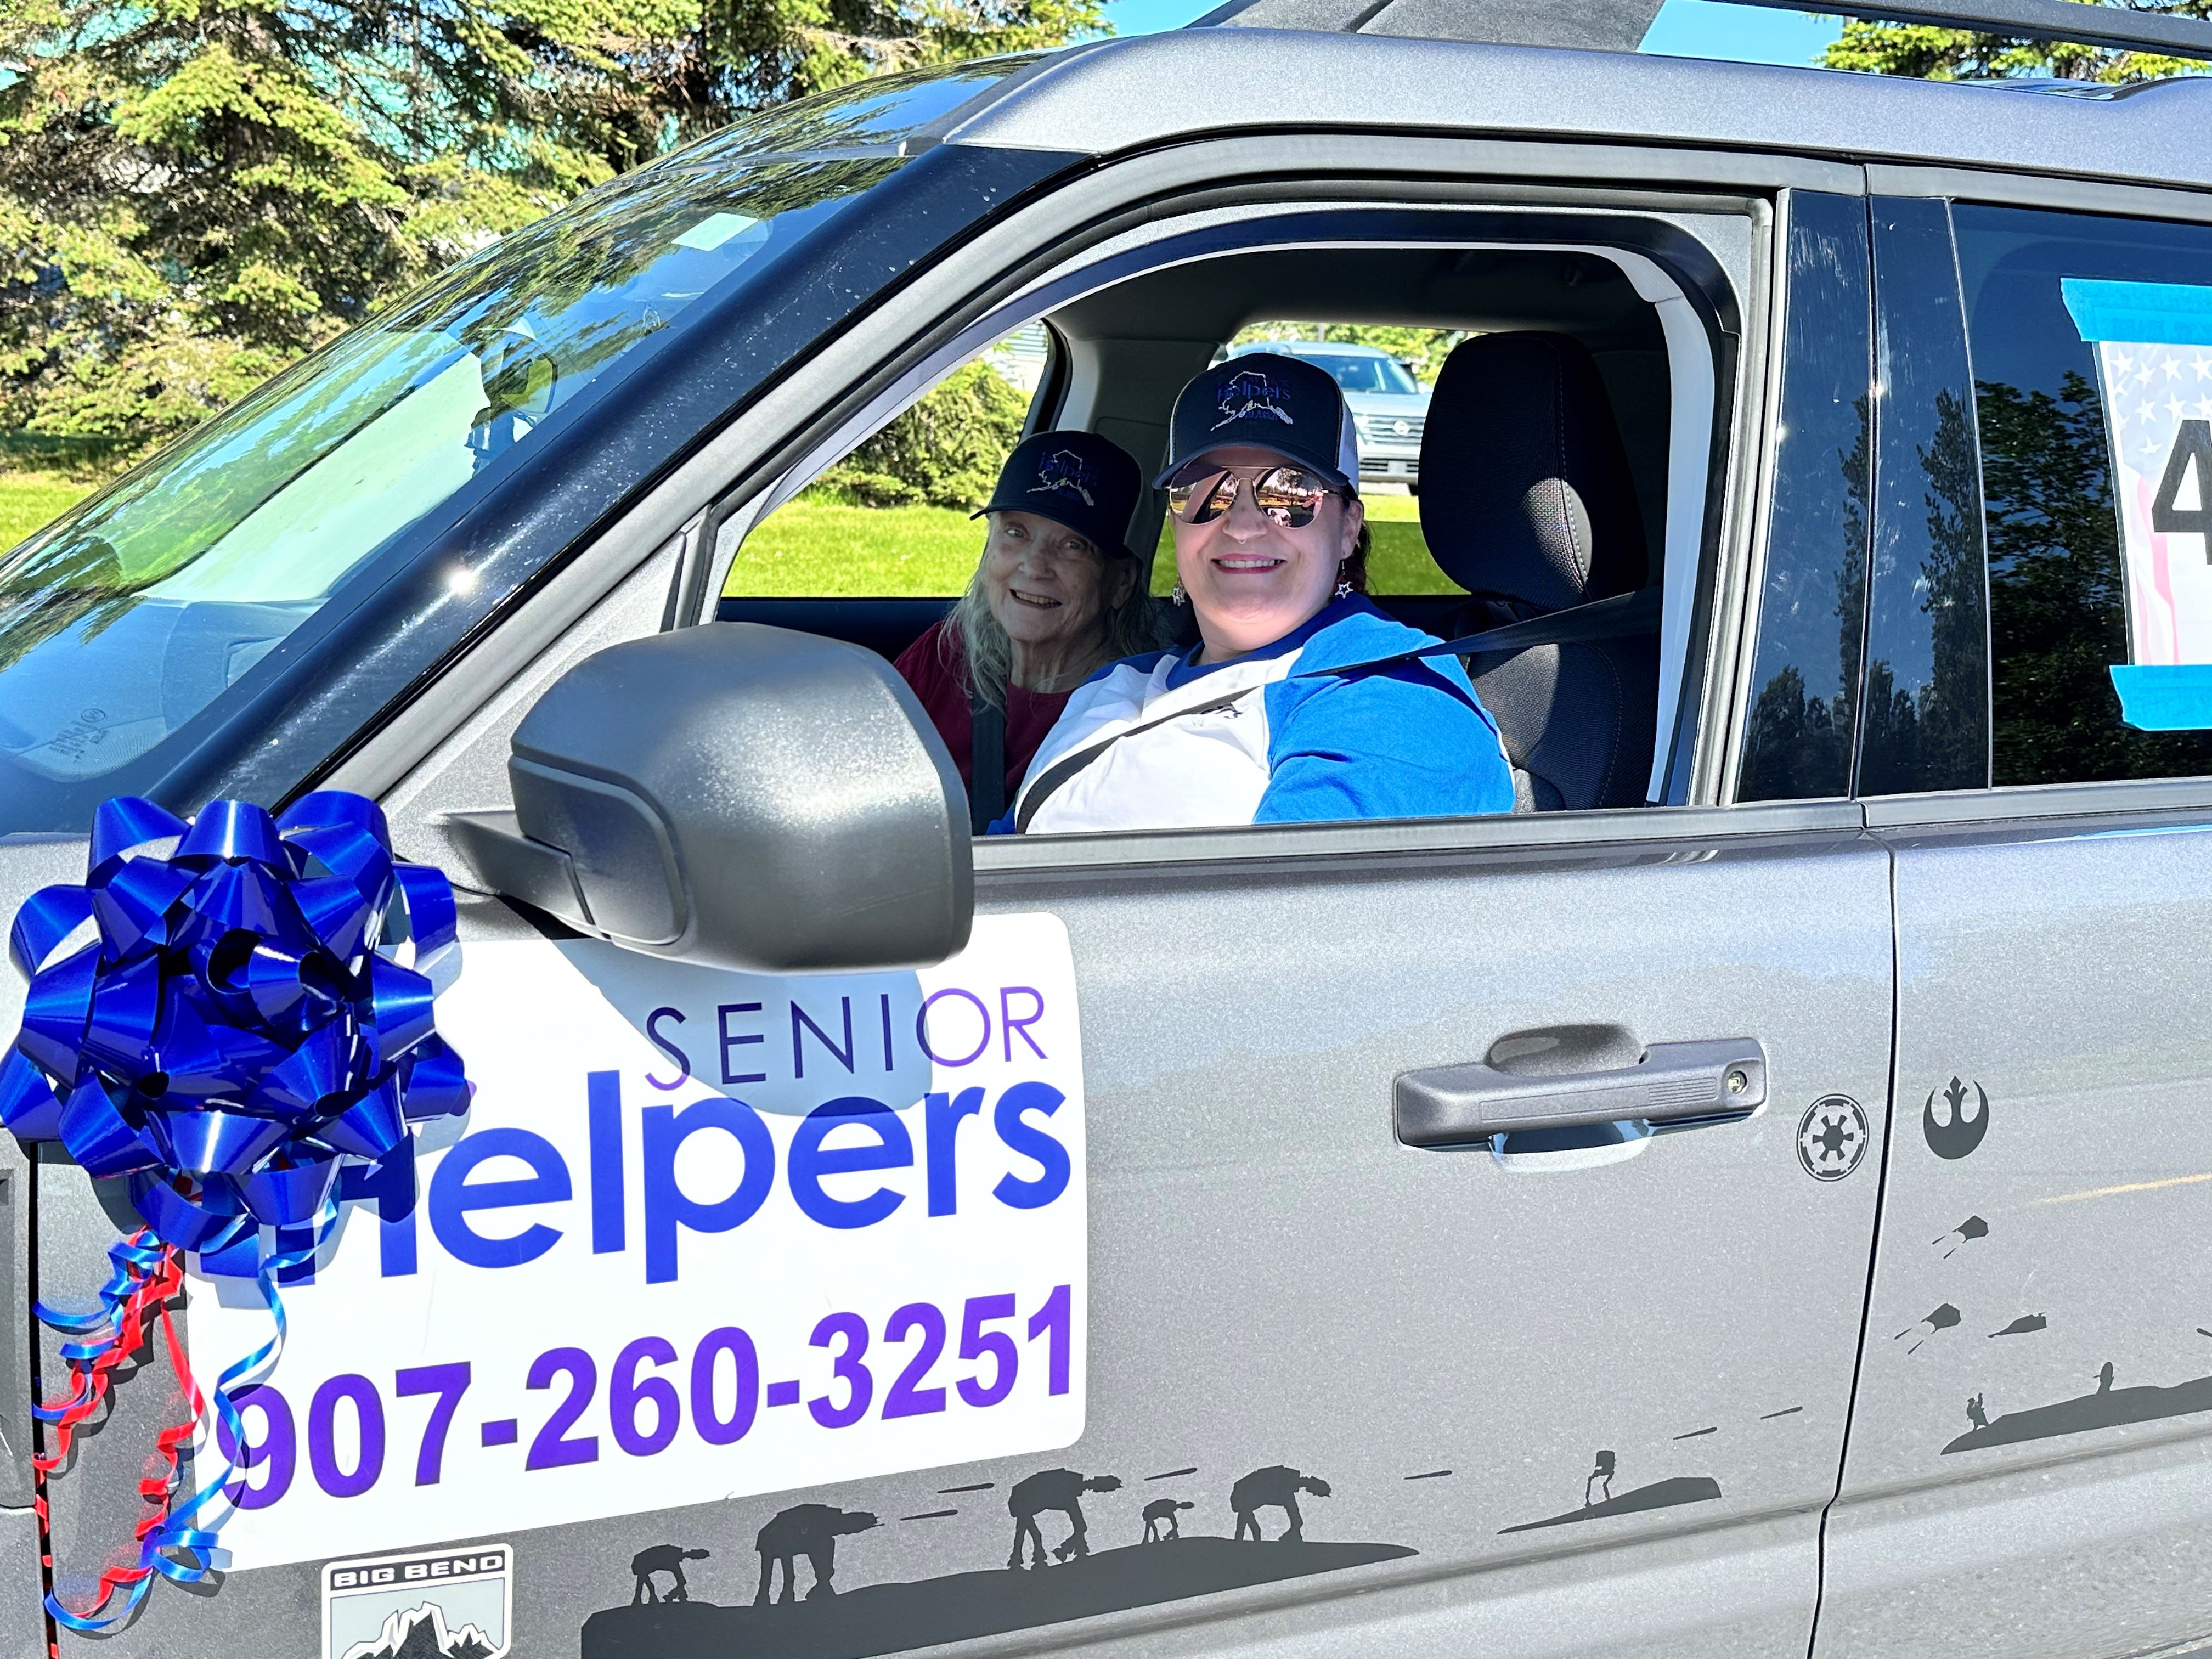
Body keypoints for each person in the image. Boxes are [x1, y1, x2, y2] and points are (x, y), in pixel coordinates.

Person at [1000, 353, 1515, 835]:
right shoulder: (1119, 682)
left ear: (1347, 529)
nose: (1242, 524)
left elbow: (1288, 918)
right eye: (1206, 489)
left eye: (1289, 491)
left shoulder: (1393, 696)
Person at [894, 430, 1160, 831]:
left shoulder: (1134, 716)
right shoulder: (944, 653)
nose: (1034, 566)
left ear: (1120, 582)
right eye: (1016, 533)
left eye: (1073, 545)